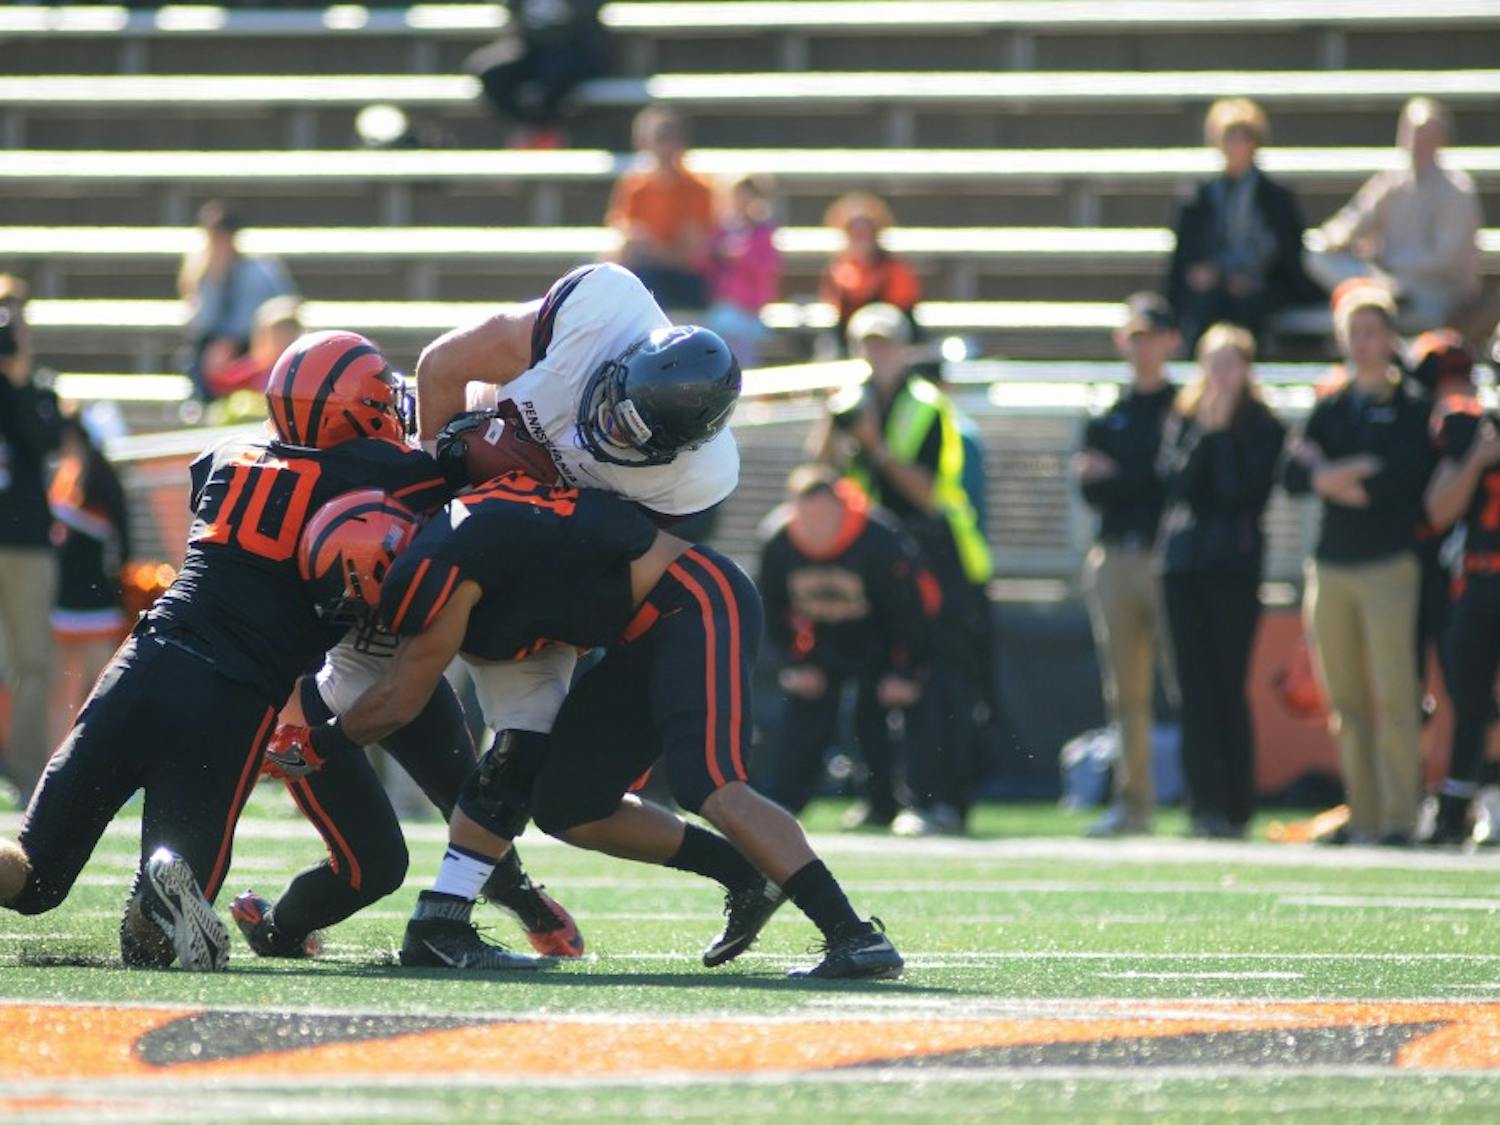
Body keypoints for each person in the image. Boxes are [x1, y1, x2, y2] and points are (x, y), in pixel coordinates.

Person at [286, 461, 903, 980]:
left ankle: (853, 934)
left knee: (708, 782)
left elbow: (399, 701)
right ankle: (746, 877)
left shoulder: (445, 559)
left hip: (694, 603)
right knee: (567, 804)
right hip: (637, 634)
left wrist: (318, 744)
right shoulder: (454, 543)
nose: (370, 620)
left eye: (362, 602)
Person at [294, 263, 743, 969]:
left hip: (534, 581)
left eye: (635, 433)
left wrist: (551, 608)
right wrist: (433, 498)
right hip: (452, 539)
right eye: (612, 405)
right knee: (350, 684)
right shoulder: (599, 312)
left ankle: (444, 915)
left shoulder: (698, 480)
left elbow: (624, 576)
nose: (607, 433)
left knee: (523, 743)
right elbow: (443, 365)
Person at [0, 331, 451, 972]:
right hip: (228, 700)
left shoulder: (226, 454)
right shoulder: (384, 472)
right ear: (357, 406)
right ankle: (167, 892)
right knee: (160, 945)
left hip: (141, 661)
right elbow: (452, 473)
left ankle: (163, 893)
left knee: (36, 876)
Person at [814, 302, 993, 836]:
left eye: (885, 344)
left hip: (937, 558)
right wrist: (833, 426)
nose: (876, 355)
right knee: (871, 673)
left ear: (905, 349)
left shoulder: (928, 406)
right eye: (866, 344)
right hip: (875, 559)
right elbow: (819, 476)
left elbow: (927, 492)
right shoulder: (852, 402)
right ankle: (880, 797)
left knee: (937, 681)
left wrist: (875, 446)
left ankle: (943, 800)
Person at [1283, 286, 1434, 845]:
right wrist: (1349, 473)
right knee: (1344, 701)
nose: (1364, 344)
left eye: (1373, 332)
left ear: (1390, 338)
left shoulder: (1410, 406)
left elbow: (1398, 485)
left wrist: (1329, 474)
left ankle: (1400, 818)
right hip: (1332, 565)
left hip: (1387, 565)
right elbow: (1294, 476)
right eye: (1355, 332)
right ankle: (1365, 816)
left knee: (1396, 697)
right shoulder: (1332, 405)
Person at [1158, 323, 1285, 839]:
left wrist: (1218, 436)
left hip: (1232, 567)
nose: (1221, 374)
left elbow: (1241, 493)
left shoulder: (1263, 426)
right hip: (1184, 564)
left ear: (1247, 369)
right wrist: (1204, 433)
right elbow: (1174, 487)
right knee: (1192, 689)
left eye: (1231, 363)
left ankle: (1235, 804)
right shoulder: (1184, 418)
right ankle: (1200, 803)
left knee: (1227, 685)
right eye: (1213, 362)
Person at [758, 465, 935, 829]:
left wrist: (906, 670)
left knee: (874, 722)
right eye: (808, 517)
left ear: (843, 508)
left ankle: (893, 804)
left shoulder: (879, 539)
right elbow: (768, 611)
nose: (818, 527)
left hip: (878, 641)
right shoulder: (777, 542)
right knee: (804, 720)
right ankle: (783, 807)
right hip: (820, 644)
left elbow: (911, 611)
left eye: (826, 515)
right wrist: (793, 663)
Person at [1074, 293, 1181, 837]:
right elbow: (1091, 487)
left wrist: (1123, 474)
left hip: (1168, 556)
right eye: (1133, 337)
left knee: (1187, 682)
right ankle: (1134, 802)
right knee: (1127, 689)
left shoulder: (1183, 406)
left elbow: (1170, 482)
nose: (1141, 348)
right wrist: (1132, 477)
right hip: (1116, 553)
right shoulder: (1107, 409)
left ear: (1171, 340)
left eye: (1151, 336)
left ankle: (1207, 801)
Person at [1309, 98, 1482, 333]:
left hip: (1429, 290)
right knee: (1317, 254)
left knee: (1405, 291)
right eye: (1413, 134)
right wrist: (1336, 238)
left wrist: (1392, 267)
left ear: (1441, 140)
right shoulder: (1390, 182)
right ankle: (1376, 299)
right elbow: (1354, 219)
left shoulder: (1457, 190)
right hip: (1384, 280)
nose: (1418, 142)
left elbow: (1445, 259)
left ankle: (1381, 300)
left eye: (1427, 135)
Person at [1165, 98, 1323, 351]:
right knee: (1203, 306)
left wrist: (1256, 278)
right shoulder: (1198, 197)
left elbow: (1289, 255)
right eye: (1230, 137)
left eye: (1244, 137)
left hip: (1262, 287)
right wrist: (1210, 273)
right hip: (1215, 286)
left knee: (1249, 305)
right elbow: (1185, 257)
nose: (1236, 145)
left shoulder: (1277, 197)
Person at [1420, 345, 1500, 844]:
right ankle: (1465, 807)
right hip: (1477, 580)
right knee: (1470, 703)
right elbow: (1437, 509)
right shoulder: (1471, 428)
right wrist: (1478, 458)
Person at [0, 275, 61, 803]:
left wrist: (17, 380)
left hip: (24, 541)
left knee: (31, 664)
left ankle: (26, 773)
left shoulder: (37, 388)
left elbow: (44, 443)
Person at [47, 410, 132, 748]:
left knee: (100, 684)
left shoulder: (101, 476)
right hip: (66, 595)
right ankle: (56, 753)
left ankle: (100, 752)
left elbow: (111, 533)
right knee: (62, 686)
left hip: (96, 597)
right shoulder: (69, 472)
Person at [177, 200, 297, 401]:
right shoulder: (203, 272)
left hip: (257, 344)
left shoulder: (259, 270)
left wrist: (230, 342)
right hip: (219, 350)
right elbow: (203, 322)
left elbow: (284, 307)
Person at [605, 106, 716, 311]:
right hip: (647, 274)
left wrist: (652, 250)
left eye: (670, 137)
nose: (665, 146)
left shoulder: (698, 189)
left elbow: (692, 256)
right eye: (659, 138)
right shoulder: (634, 186)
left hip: (686, 281)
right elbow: (625, 243)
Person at [467, 0, 608, 149]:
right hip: (531, 48)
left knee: (556, 74)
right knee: (490, 72)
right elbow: (515, 13)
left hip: (573, 49)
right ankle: (529, 128)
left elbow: (586, 15)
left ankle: (548, 130)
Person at [819, 194, 922, 355]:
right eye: (854, 232)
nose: (860, 238)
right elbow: (837, 317)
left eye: (865, 231)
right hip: (850, 345)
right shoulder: (838, 271)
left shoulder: (895, 269)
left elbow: (904, 313)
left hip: (890, 343)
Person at [705, 175, 781, 368]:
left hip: (751, 308)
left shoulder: (764, 232)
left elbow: (765, 269)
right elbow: (707, 263)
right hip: (725, 304)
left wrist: (740, 256)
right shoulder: (722, 229)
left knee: (747, 357)